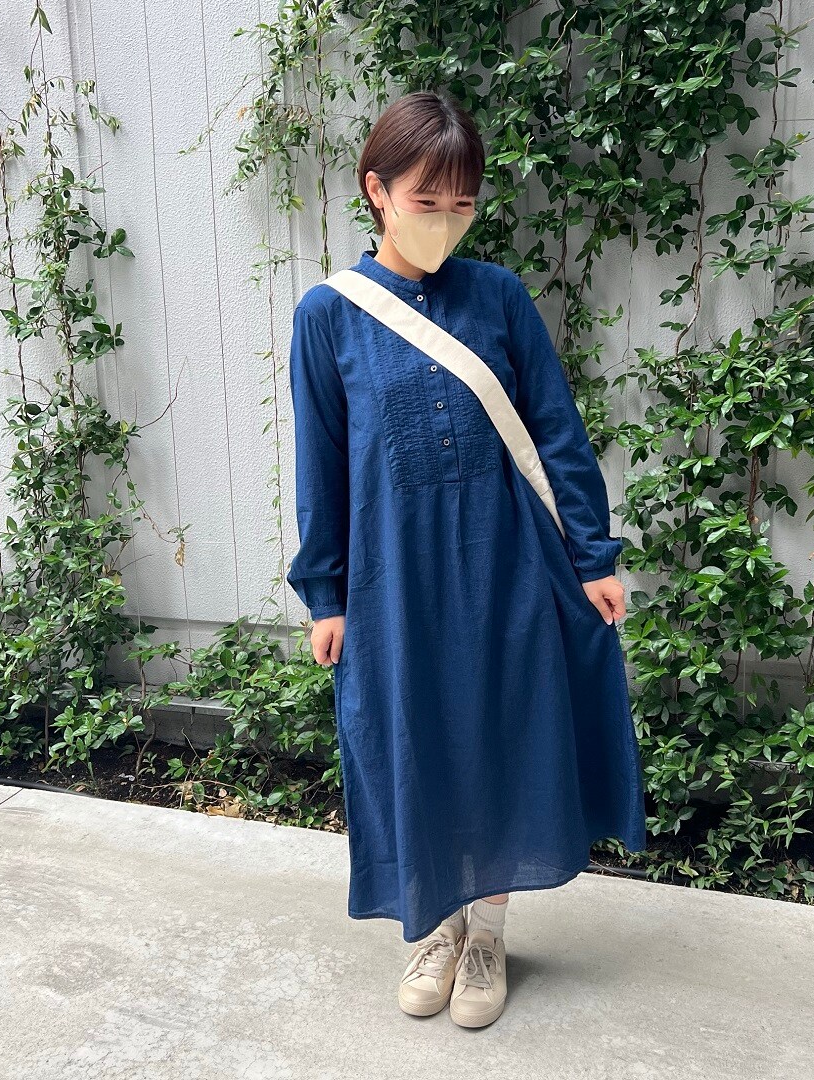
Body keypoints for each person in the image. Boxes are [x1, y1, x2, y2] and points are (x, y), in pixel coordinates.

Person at [286, 90, 646, 1029]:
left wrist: (592, 555)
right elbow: (323, 462)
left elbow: (556, 431)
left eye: (463, 204)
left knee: (505, 735)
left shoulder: (499, 297)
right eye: (425, 200)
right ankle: (438, 927)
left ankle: (488, 933)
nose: (444, 220)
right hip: (394, 579)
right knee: (417, 740)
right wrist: (326, 594)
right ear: (377, 191)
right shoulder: (328, 316)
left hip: (508, 563)